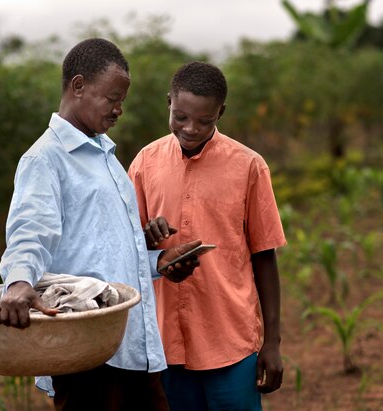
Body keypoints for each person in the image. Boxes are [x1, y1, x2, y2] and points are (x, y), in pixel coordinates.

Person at [0, 38, 202, 411]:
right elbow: (30, 231)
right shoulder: (46, 159)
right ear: (78, 86)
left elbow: (105, 247)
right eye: (112, 98)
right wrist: (20, 281)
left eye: (122, 99)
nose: (119, 109)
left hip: (133, 345)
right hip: (85, 350)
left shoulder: (105, 156)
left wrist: (158, 263)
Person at [128, 61, 287, 410]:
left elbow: (264, 254)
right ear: (168, 101)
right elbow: (128, 249)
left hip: (230, 340)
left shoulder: (248, 166)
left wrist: (272, 342)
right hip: (166, 342)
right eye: (181, 117)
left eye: (205, 121)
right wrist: (148, 237)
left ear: (221, 112)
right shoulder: (144, 164)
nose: (191, 129)